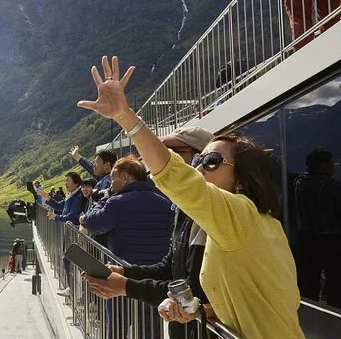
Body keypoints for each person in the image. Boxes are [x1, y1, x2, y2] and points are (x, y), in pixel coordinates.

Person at [79, 56, 304, 339]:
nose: (197, 168)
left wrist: (126, 117)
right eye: (197, 160)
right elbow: (228, 296)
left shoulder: (243, 215)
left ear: (243, 180)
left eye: (211, 161)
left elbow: (179, 179)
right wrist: (200, 310)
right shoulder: (215, 225)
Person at [89, 127, 213, 339]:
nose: (162, 161)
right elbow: (171, 266)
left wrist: (126, 285)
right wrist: (125, 272)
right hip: (161, 296)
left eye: (172, 153)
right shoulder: (174, 207)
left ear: (202, 161)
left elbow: (194, 288)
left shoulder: (211, 217)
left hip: (192, 322)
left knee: (117, 328)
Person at [294, 149, 341, 308]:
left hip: (305, 238)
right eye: (330, 162)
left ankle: (309, 310)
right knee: (335, 280)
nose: (333, 166)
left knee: (309, 281)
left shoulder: (299, 183)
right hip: (330, 239)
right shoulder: (331, 185)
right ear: (322, 166)